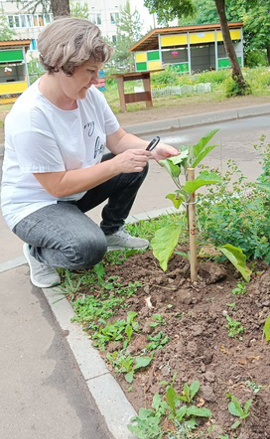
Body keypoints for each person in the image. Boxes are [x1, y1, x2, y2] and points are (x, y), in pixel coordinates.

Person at [1, 17, 178, 289]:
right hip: (34, 206)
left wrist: (152, 148)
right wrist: (116, 165)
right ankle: (37, 251)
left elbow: (118, 139)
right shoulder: (29, 117)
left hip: (73, 192)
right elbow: (57, 187)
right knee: (87, 250)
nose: (97, 80)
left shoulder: (89, 96)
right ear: (62, 66)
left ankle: (111, 232)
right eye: (90, 71)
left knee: (137, 164)